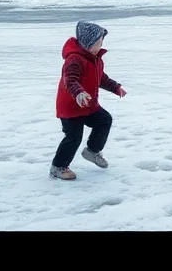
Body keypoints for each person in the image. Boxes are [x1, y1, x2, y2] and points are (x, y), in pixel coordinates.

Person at [51, 21, 126, 180]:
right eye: (98, 43)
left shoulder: (95, 59)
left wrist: (115, 87)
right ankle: (58, 167)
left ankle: (92, 151)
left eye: (101, 42)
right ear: (87, 44)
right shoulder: (74, 59)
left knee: (105, 120)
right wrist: (79, 93)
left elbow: (101, 78)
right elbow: (70, 80)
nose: (100, 46)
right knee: (74, 137)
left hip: (88, 105)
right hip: (71, 107)